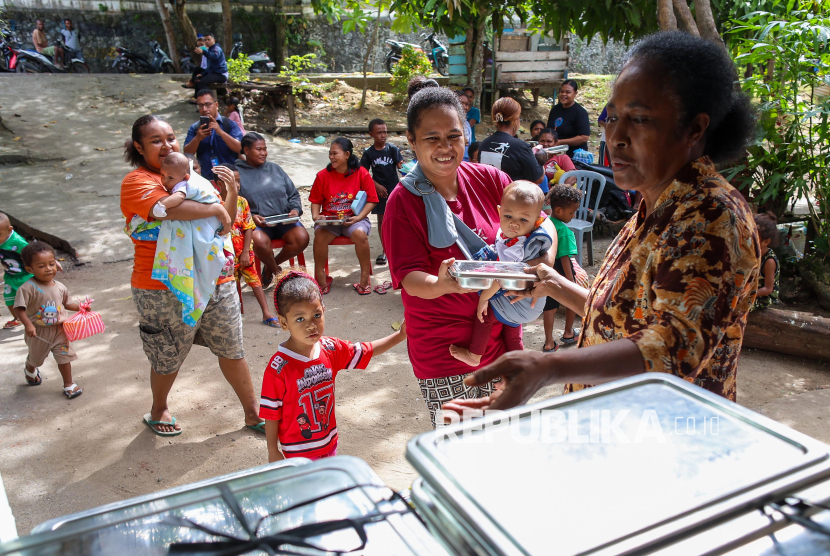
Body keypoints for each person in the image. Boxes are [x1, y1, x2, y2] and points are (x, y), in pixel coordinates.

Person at [442, 31, 760, 417]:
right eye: (611, 117)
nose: (615, 136)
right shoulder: (656, 206)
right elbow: (622, 317)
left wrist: (550, 366)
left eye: (639, 119)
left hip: (664, 443)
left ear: (694, 129)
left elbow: (673, 349)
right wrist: (550, 283)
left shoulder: (710, 217)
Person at [382, 76, 557, 426]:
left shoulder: (490, 178)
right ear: (412, 142)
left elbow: (542, 221)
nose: (445, 147)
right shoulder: (402, 203)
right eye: (432, 138)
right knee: (461, 453)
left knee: (504, 444)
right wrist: (443, 285)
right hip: (447, 356)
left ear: (466, 134)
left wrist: (539, 265)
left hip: (503, 338)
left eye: (454, 135)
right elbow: (410, 277)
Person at [121, 114, 264, 437]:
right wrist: (215, 209)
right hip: (161, 286)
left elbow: (223, 219)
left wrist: (226, 193)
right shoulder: (137, 182)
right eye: (156, 140)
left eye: (170, 137)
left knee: (232, 347)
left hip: (216, 277)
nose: (167, 144)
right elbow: (171, 210)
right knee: (168, 355)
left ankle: (253, 413)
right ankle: (159, 409)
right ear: (139, 148)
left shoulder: (191, 177)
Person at [260, 270, 407, 461]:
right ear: (283, 322)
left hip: (329, 443)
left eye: (316, 315)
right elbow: (271, 414)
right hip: (296, 453)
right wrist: (272, 450)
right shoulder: (278, 368)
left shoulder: (330, 348)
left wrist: (400, 336)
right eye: (299, 319)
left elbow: (365, 350)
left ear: (324, 309)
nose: (311, 325)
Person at [449, 181, 552, 366]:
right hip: (526, 302)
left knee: (485, 316)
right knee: (512, 329)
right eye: (508, 215)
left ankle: (474, 355)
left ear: (537, 221)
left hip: (524, 301)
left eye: (523, 220)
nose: (514, 223)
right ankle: (519, 366)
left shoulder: (518, 247)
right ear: (499, 211)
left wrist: (483, 299)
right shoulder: (514, 235)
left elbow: (501, 278)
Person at [236, 133, 309, 289]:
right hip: (258, 224)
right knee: (259, 242)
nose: (263, 153)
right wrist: (252, 216)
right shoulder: (238, 173)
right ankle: (277, 272)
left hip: (283, 220)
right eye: (259, 149)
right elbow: (236, 204)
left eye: (265, 149)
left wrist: (295, 210)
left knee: (302, 238)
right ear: (246, 150)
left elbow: (293, 194)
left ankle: (270, 268)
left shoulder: (275, 169)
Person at [13, 241, 84, 398]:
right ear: (29, 269)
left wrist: (81, 307)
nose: (48, 268)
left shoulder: (60, 286)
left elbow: (67, 303)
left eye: (51, 264)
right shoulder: (27, 288)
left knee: (64, 356)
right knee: (36, 359)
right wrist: (28, 325)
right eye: (41, 266)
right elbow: (19, 308)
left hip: (59, 330)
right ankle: (30, 369)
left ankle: (69, 384)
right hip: (38, 332)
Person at [310, 137, 378, 295]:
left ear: (347, 154)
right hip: (330, 221)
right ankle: (321, 277)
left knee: (360, 235)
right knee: (319, 235)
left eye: (335, 153)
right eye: (330, 154)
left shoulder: (361, 173)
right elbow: (315, 200)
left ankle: (364, 277)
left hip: (353, 219)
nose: (331, 157)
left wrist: (359, 217)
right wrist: (315, 216)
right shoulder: (322, 176)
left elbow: (372, 200)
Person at [212, 162, 278, 326]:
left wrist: (244, 253)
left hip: (243, 253)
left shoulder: (242, 202)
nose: (238, 185)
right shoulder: (214, 203)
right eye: (233, 181)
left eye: (239, 181)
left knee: (255, 282)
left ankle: (266, 313)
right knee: (228, 287)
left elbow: (248, 227)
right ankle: (231, 317)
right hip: (225, 256)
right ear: (220, 184)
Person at [541, 184, 587, 352]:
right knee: (571, 302)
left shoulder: (545, 223)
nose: (573, 215)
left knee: (549, 307)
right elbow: (565, 257)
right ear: (559, 210)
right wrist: (570, 281)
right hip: (563, 271)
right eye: (572, 212)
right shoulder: (565, 231)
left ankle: (548, 343)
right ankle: (568, 332)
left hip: (549, 272)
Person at [360, 118, 403, 269]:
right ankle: (385, 251)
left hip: (394, 189)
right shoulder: (369, 153)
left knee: (397, 221)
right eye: (379, 132)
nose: (383, 135)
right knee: (382, 221)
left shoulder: (392, 150)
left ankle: (398, 250)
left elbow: (401, 166)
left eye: (385, 131)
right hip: (380, 192)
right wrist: (375, 185)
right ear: (371, 134)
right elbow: (363, 174)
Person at [479, 97, 546, 190]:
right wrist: (540, 159)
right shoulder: (520, 146)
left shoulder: (484, 144)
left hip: (488, 198)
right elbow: (538, 178)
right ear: (515, 120)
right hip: (511, 200)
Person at [184, 89, 243, 182]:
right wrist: (197, 138)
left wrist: (221, 132)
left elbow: (240, 148)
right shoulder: (195, 128)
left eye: (208, 105)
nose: (204, 109)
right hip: (206, 179)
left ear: (216, 105)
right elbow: (187, 153)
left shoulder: (229, 124)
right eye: (200, 106)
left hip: (230, 178)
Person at [0, 212, 35, 329]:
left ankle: (43, 315)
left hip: (26, 275)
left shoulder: (17, 242)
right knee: (9, 299)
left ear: (10, 230)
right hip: (10, 276)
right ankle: (18, 318)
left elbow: (33, 254)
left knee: (32, 299)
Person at [546, 79, 591, 157]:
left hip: (575, 155)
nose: (564, 94)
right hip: (555, 153)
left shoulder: (580, 112)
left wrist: (561, 142)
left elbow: (584, 137)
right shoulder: (555, 109)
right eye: (561, 91)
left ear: (575, 93)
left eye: (568, 92)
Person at [752, 212, 780, 311]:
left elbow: (768, 289)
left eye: (755, 239)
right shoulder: (751, 253)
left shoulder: (769, 261)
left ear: (766, 242)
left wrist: (748, 294)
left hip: (762, 296)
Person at [190, 32, 228, 97]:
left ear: (214, 40)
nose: (207, 41)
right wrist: (203, 74)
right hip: (213, 73)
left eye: (209, 39)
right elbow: (209, 67)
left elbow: (214, 56)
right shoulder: (209, 50)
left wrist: (203, 51)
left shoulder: (216, 48)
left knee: (203, 82)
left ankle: (209, 99)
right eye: (205, 40)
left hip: (220, 74)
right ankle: (197, 97)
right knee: (197, 78)